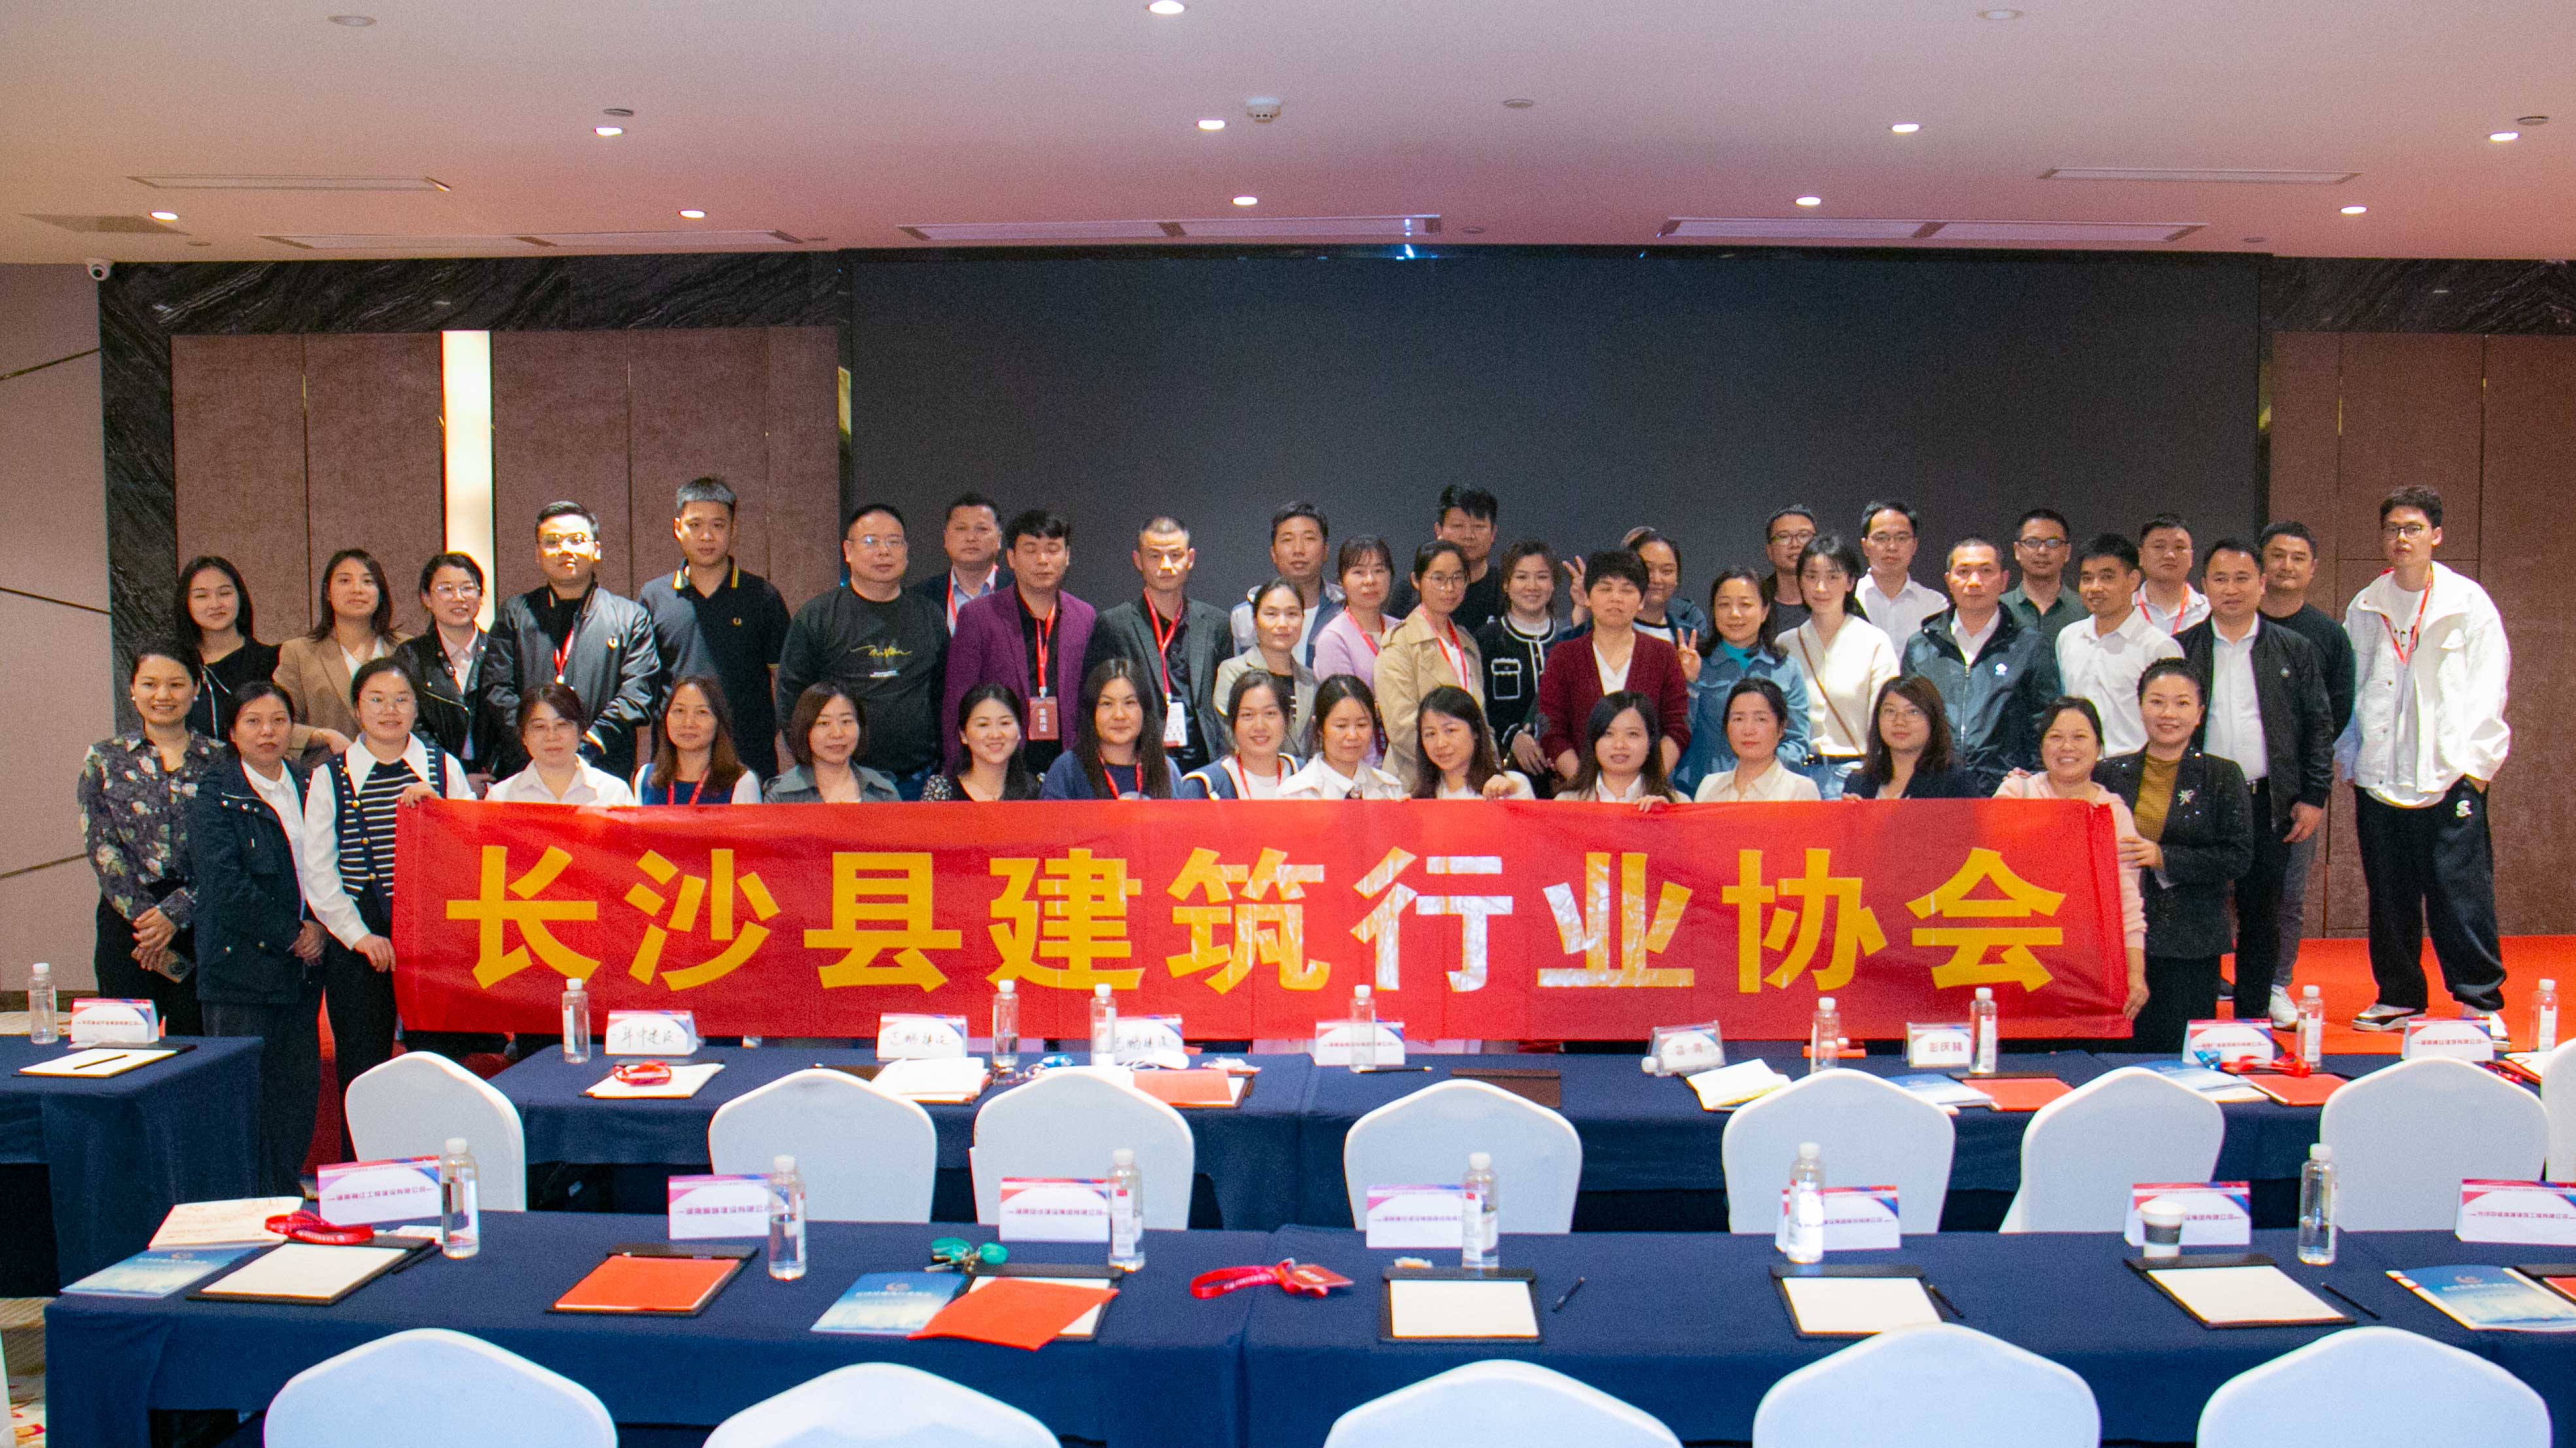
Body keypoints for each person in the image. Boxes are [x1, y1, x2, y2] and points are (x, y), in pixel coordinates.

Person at [2338, 485, 2512, 1033]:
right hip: (2379, 774)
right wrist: (2351, 759)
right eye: (2392, 529)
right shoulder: (2365, 604)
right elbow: (2349, 687)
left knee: (2460, 894)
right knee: (2389, 896)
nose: (2401, 539)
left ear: (2435, 535)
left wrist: (2476, 768)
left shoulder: (2467, 603)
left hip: (2448, 773)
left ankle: (2480, 1000)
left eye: (2413, 528)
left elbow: (2489, 684)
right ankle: (2398, 997)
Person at [299, 658, 477, 1100]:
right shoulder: (330, 776)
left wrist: (444, 812)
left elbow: (473, 853)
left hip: (434, 937)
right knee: (363, 1069)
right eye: (376, 699)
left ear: (417, 707)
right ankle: (362, 1148)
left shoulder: (443, 768)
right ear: (357, 708)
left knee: (439, 1067)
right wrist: (359, 937)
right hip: (359, 934)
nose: (389, 710)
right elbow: (318, 870)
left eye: (402, 699)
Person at [2179, 538, 2334, 1028]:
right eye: (2220, 579)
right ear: (2204, 587)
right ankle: (2195, 1013)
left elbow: (2318, 726)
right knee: (2198, 907)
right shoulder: (2181, 648)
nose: (2231, 589)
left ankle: (2252, 1018)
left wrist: (2313, 796)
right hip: (2198, 798)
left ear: (2262, 584)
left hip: (2266, 797)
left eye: (2242, 578)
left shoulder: (2293, 648)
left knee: (2262, 910)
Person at [188, 682, 326, 1193]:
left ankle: (286, 1196)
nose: (268, 732)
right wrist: (292, 933)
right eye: (253, 721)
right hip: (240, 970)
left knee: (295, 1094)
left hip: (302, 969)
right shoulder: (215, 792)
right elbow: (223, 885)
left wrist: (320, 928)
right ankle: (247, 1205)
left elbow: (330, 865)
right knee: (245, 1099)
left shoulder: (311, 783)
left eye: (278, 720)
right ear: (232, 730)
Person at [2096, 660, 2254, 1053]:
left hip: (2191, 938)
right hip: (2120, 941)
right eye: (2157, 702)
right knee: (2117, 1054)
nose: (2169, 713)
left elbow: (2237, 857)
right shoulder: (2108, 774)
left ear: (2199, 714)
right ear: (2140, 708)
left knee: (2177, 1054)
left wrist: (2163, 857)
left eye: (2182, 703)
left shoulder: (2222, 775)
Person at [79, 644, 224, 1037]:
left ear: (197, 688)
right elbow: (101, 846)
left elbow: (227, 851)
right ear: (132, 689)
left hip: (203, 920)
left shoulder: (222, 760)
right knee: (121, 1047)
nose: (163, 695)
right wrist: (149, 923)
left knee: (198, 1049)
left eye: (176, 684)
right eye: (150, 684)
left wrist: (174, 914)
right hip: (129, 924)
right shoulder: (104, 758)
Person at [774, 502, 947, 796]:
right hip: (842, 782)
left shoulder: (929, 615)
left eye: (894, 542)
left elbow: (944, 694)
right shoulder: (818, 616)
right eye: (871, 541)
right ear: (848, 550)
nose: (884, 552)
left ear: (906, 550)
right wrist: (812, 766)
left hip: (917, 780)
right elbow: (792, 696)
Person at [1994, 697, 2149, 1021]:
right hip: (2019, 959)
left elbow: (2127, 901)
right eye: (2056, 737)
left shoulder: (2113, 812)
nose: (2067, 747)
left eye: (2080, 737)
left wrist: (2135, 974)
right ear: (2041, 746)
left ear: (2099, 748)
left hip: (2086, 966)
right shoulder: (2016, 794)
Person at [486, 501, 661, 781]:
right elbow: (497, 689)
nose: (565, 549)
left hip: (603, 769)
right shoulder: (515, 614)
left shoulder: (630, 617)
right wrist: (536, 741)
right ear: (538, 554)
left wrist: (586, 746)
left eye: (576, 540)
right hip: (526, 769)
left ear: (596, 550)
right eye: (552, 541)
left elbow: (637, 694)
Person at [2256, 518, 2358, 1000]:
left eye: (2298, 558)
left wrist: (2312, 789)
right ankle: (2216, 980)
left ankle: (2276, 984)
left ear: (2313, 568)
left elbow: (2334, 716)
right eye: (2277, 555)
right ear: (2261, 562)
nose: (2286, 566)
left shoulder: (2328, 635)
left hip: (2294, 786)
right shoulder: (2234, 623)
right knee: (2219, 889)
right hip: (2230, 779)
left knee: (2288, 892)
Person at [645, 478, 792, 780]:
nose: (707, 536)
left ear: (734, 530)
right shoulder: (654, 597)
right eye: (695, 525)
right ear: (677, 528)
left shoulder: (762, 597)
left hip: (748, 758)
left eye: (718, 525)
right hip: (675, 763)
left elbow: (787, 681)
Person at [1901, 536, 2060, 793]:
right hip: (1934, 789)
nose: (1974, 582)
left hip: (2006, 790)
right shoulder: (1922, 647)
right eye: (1963, 572)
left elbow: (2045, 722)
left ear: (2004, 580)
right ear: (1948, 581)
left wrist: (2036, 778)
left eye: (1986, 571)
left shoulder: (2029, 645)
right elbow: (1907, 721)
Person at [943, 510, 1094, 779]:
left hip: (1070, 771)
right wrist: (960, 777)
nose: (1042, 560)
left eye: (1052, 549)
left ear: (1067, 556)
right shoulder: (979, 617)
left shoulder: (1084, 616)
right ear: (1011, 558)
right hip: (1000, 772)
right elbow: (957, 704)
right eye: (1031, 549)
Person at [1084, 516, 1234, 777]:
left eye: (1175, 555)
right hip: (1140, 764)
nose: (1166, 565)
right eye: (1155, 556)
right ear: (1138, 561)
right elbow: (1094, 703)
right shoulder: (1114, 625)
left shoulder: (1216, 623)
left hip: (1207, 765)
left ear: (1190, 559)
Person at [1540, 550, 1691, 787]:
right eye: (1605, 589)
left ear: (1642, 601)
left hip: (1646, 795)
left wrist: (1644, 784)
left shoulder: (1663, 654)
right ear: (1587, 597)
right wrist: (1588, 787)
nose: (1616, 598)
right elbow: (1551, 729)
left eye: (1627, 590)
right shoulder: (1564, 655)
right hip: (1581, 793)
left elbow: (1677, 728)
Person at [1675, 568, 1811, 797]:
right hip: (1704, 792)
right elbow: (1679, 732)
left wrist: (1759, 775)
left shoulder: (1786, 668)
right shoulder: (1694, 663)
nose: (1735, 614)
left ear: (1765, 611)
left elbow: (1797, 741)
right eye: (1724, 605)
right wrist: (1690, 683)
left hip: (1771, 795)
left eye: (1745, 605)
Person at [1786, 535, 1899, 799]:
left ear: (1850, 582)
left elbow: (1885, 718)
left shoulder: (1874, 642)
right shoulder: (1786, 644)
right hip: (1796, 777)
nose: (1821, 587)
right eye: (1811, 576)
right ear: (1800, 581)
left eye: (1833, 577)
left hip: (1854, 775)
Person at [2055, 533, 2182, 757]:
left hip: (2135, 768)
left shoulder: (2158, 647)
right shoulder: (2068, 638)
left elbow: (2174, 721)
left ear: (2133, 580)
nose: (2095, 588)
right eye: (2087, 578)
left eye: (2107, 577)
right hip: (2077, 767)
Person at [274, 548, 405, 761]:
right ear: (328, 592)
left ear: (381, 593)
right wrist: (322, 736)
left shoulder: (406, 648)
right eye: (345, 581)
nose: (357, 590)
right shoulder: (299, 652)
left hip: (400, 773)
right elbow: (277, 721)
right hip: (328, 773)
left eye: (368, 581)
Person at [1376, 540, 1488, 787]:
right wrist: (1452, 764)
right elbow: (1402, 727)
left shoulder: (1467, 643)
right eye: (1438, 578)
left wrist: (1489, 769)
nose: (1450, 587)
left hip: (1470, 780)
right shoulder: (1400, 643)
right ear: (1416, 581)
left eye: (1458, 578)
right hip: (1418, 782)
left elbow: (1481, 721)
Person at [397, 552, 507, 791]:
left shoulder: (502, 650)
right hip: (431, 782)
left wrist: (493, 776)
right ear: (426, 598)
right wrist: (454, 777)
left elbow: (511, 719)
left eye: (467, 588)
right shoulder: (411, 656)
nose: (459, 598)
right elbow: (412, 724)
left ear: (480, 596)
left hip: (498, 783)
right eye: (446, 589)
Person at [1475, 539, 1575, 785]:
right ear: (1506, 584)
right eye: (1522, 577)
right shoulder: (1486, 640)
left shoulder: (1568, 639)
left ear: (1554, 584)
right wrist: (1513, 737)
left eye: (1542, 577)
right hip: (1506, 775)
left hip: (1567, 773)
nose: (1532, 586)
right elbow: (1478, 708)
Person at [176, 556, 280, 740]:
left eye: (225, 593)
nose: (215, 604)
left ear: (240, 597)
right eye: (201, 596)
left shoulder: (274, 660)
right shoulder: (177, 665)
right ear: (186, 603)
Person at [1041, 657, 1173, 799]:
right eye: (1107, 704)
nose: (1119, 715)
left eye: (1129, 703)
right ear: (1092, 711)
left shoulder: (1165, 769)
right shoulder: (1067, 769)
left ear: (1145, 710)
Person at [1230, 501, 1345, 661]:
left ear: (1326, 550)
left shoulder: (1346, 609)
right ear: (1273, 554)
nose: (1298, 550)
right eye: (1287, 540)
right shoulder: (1244, 615)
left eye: (1309, 539)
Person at [1211, 579, 1318, 751]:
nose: (1282, 624)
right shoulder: (1234, 672)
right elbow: (1231, 737)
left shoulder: (1310, 680)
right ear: (1255, 622)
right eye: (1271, 614)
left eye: (1292, 614)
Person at [486, 685, 638, 805]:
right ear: (523, 736)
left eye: (562, 725)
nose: (552, 736)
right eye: (540, 727)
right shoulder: (502, 798)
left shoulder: (614, 794)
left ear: (581, 731)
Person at [1845, 676, 1984, 800]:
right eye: (1890, 711)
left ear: (1933, 719)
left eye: (1913, 712)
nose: (1899, 721)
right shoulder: (1858, 782)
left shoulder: (1956, 783)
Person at [1386, 485, 1503, 633]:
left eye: (1478, 527)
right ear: (1438, 531)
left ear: (1493, 533)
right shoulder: (1412, 590)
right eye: (1458, 526)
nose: (1469, 535)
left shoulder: (1507, 590)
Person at [635, 676, 762, 804]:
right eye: (679, 711)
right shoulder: (646, 777)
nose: (688, 723)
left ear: (719, 722)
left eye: (702, 712)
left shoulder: (742, 783)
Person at [1694, 678, 1824, 803]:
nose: (1748, 730)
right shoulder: (1709, 786)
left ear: (1781, 728)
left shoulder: (1799, 789)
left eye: (1761, 719)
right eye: (1738, 719)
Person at [765, 684, 901, 802]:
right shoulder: (781, 795)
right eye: (824, 723)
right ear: (805, 730)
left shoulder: (883, 792)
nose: (837, 733)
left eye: (846, 722)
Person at [1279, 676, 1409, 799]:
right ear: (1320, 728)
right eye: (1341, 726)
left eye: (1362, 725)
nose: (1353, 735)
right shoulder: (1294, 794)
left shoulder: (1389, 790)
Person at [1180, 672, 1303, 798]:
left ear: (1286, 719)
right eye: (1248, 715)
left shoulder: (1305, 775)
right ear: (1233, 722)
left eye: (1270, 713)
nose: (1260, 726)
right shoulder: (1203, 787)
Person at [909, 491, 1011, 634]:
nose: (971, 538)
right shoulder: (920, 598)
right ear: (946, 538)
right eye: (961, 529)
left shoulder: (1021, 591)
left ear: (999, 539)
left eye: (982, 529)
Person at [921, 683, 1041, 800]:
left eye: (1005, 723)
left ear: (1020, 730)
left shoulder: (1038, 789)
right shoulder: (943, 791)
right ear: (963, 734)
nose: (995, 735)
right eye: (983, 725)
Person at [1560, 691, 1686, 803]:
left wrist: (1665, 817)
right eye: (1608, 734)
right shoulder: (1566, 802)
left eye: (1632, 734)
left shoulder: (1677, 803)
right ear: (1594, 741)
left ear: (1650, 742)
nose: (1619, 745)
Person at [1412, 686, 1534, 799]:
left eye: (1450, 730)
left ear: (1475, 731)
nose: (1441, 743)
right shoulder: (1419, 799)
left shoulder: (1510, 786)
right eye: (1430, 734)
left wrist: (1514, 793)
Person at [1312, 535, 1399, 689]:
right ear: (1341, 581)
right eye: (1359, 572)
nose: (1370, 580)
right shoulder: (1333, 638)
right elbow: (1345, 700)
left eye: (1379, 570)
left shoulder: (1401, 630)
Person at [1854, 500, 1945, 648]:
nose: (1892, 547)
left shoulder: (1934, 605)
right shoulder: (1846, 599)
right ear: (1865, 546)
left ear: (1914, 546)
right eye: (1881, 538)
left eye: (1901, 538)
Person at [1619, 527, 1709, 661]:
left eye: (1667, 571)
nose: (1656, 579)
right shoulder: (1601, 631)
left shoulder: (1693, 640)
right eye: (1647, 569)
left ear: (1676, 579)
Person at [2001, 508, 2082, 644]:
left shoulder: (2086, 610)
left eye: (2053, 543)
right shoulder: (1998, 610)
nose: (2042, 551)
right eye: (2032, 542)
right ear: (2017, 551)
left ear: (2067, 552)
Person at [2136, 512, 2211, 634]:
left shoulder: (2210, 612)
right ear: (2141, 556)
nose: (2170, 555)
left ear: (2191, 557)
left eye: (2179, 547)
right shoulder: (2121, 611)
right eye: (2159, 547)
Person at [1762, 506, 1816, 629]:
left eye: (1804, 536)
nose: (1795, 544)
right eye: (1784, 537)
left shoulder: (1838, 601)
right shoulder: (1757, 603)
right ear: (1769, 551)